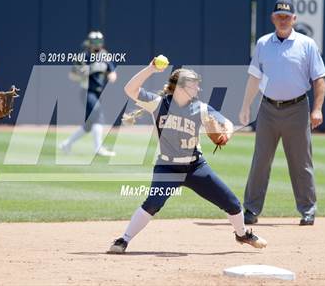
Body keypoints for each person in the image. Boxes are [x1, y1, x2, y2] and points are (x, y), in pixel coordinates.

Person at [108, 59, 267, 254]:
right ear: (180, 88)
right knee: (152, 203)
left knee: (232, 203)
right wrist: (150, 69)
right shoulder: (158, 104)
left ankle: (242, 234)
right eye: (194, 85)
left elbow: (226, 123)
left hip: (195, 168)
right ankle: (123, 240)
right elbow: (130, 89)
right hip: (167, 168)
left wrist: (227, 133)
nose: (198, 89)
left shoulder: (200, 108)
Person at [239, 0, 325, 226]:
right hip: (268, 108)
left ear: (294, 19)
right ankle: (251, 209)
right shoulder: (263, 43)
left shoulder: (306, 44)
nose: (283, 20)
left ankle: (308, 210)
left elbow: (319, 78)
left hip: (297, 108)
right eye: (279, 16)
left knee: (301, 162)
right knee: (260, 161)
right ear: (273, 18)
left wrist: (317, 108)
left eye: (287, 16)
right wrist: (246, 105)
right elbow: (254, 77)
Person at [60, 31, 117, 157]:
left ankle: (66, 144)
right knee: (98, 116)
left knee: (89, 126)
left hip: (98, 92)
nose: (98, 45)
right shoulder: (83, 56)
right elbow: (72, 76)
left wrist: (109, 73)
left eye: (100, 42)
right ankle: (98, 148)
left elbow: (112, 74)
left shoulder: (104, 55)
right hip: (87, 91)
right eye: (95, 42)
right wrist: (83, 73)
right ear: (90, 43)